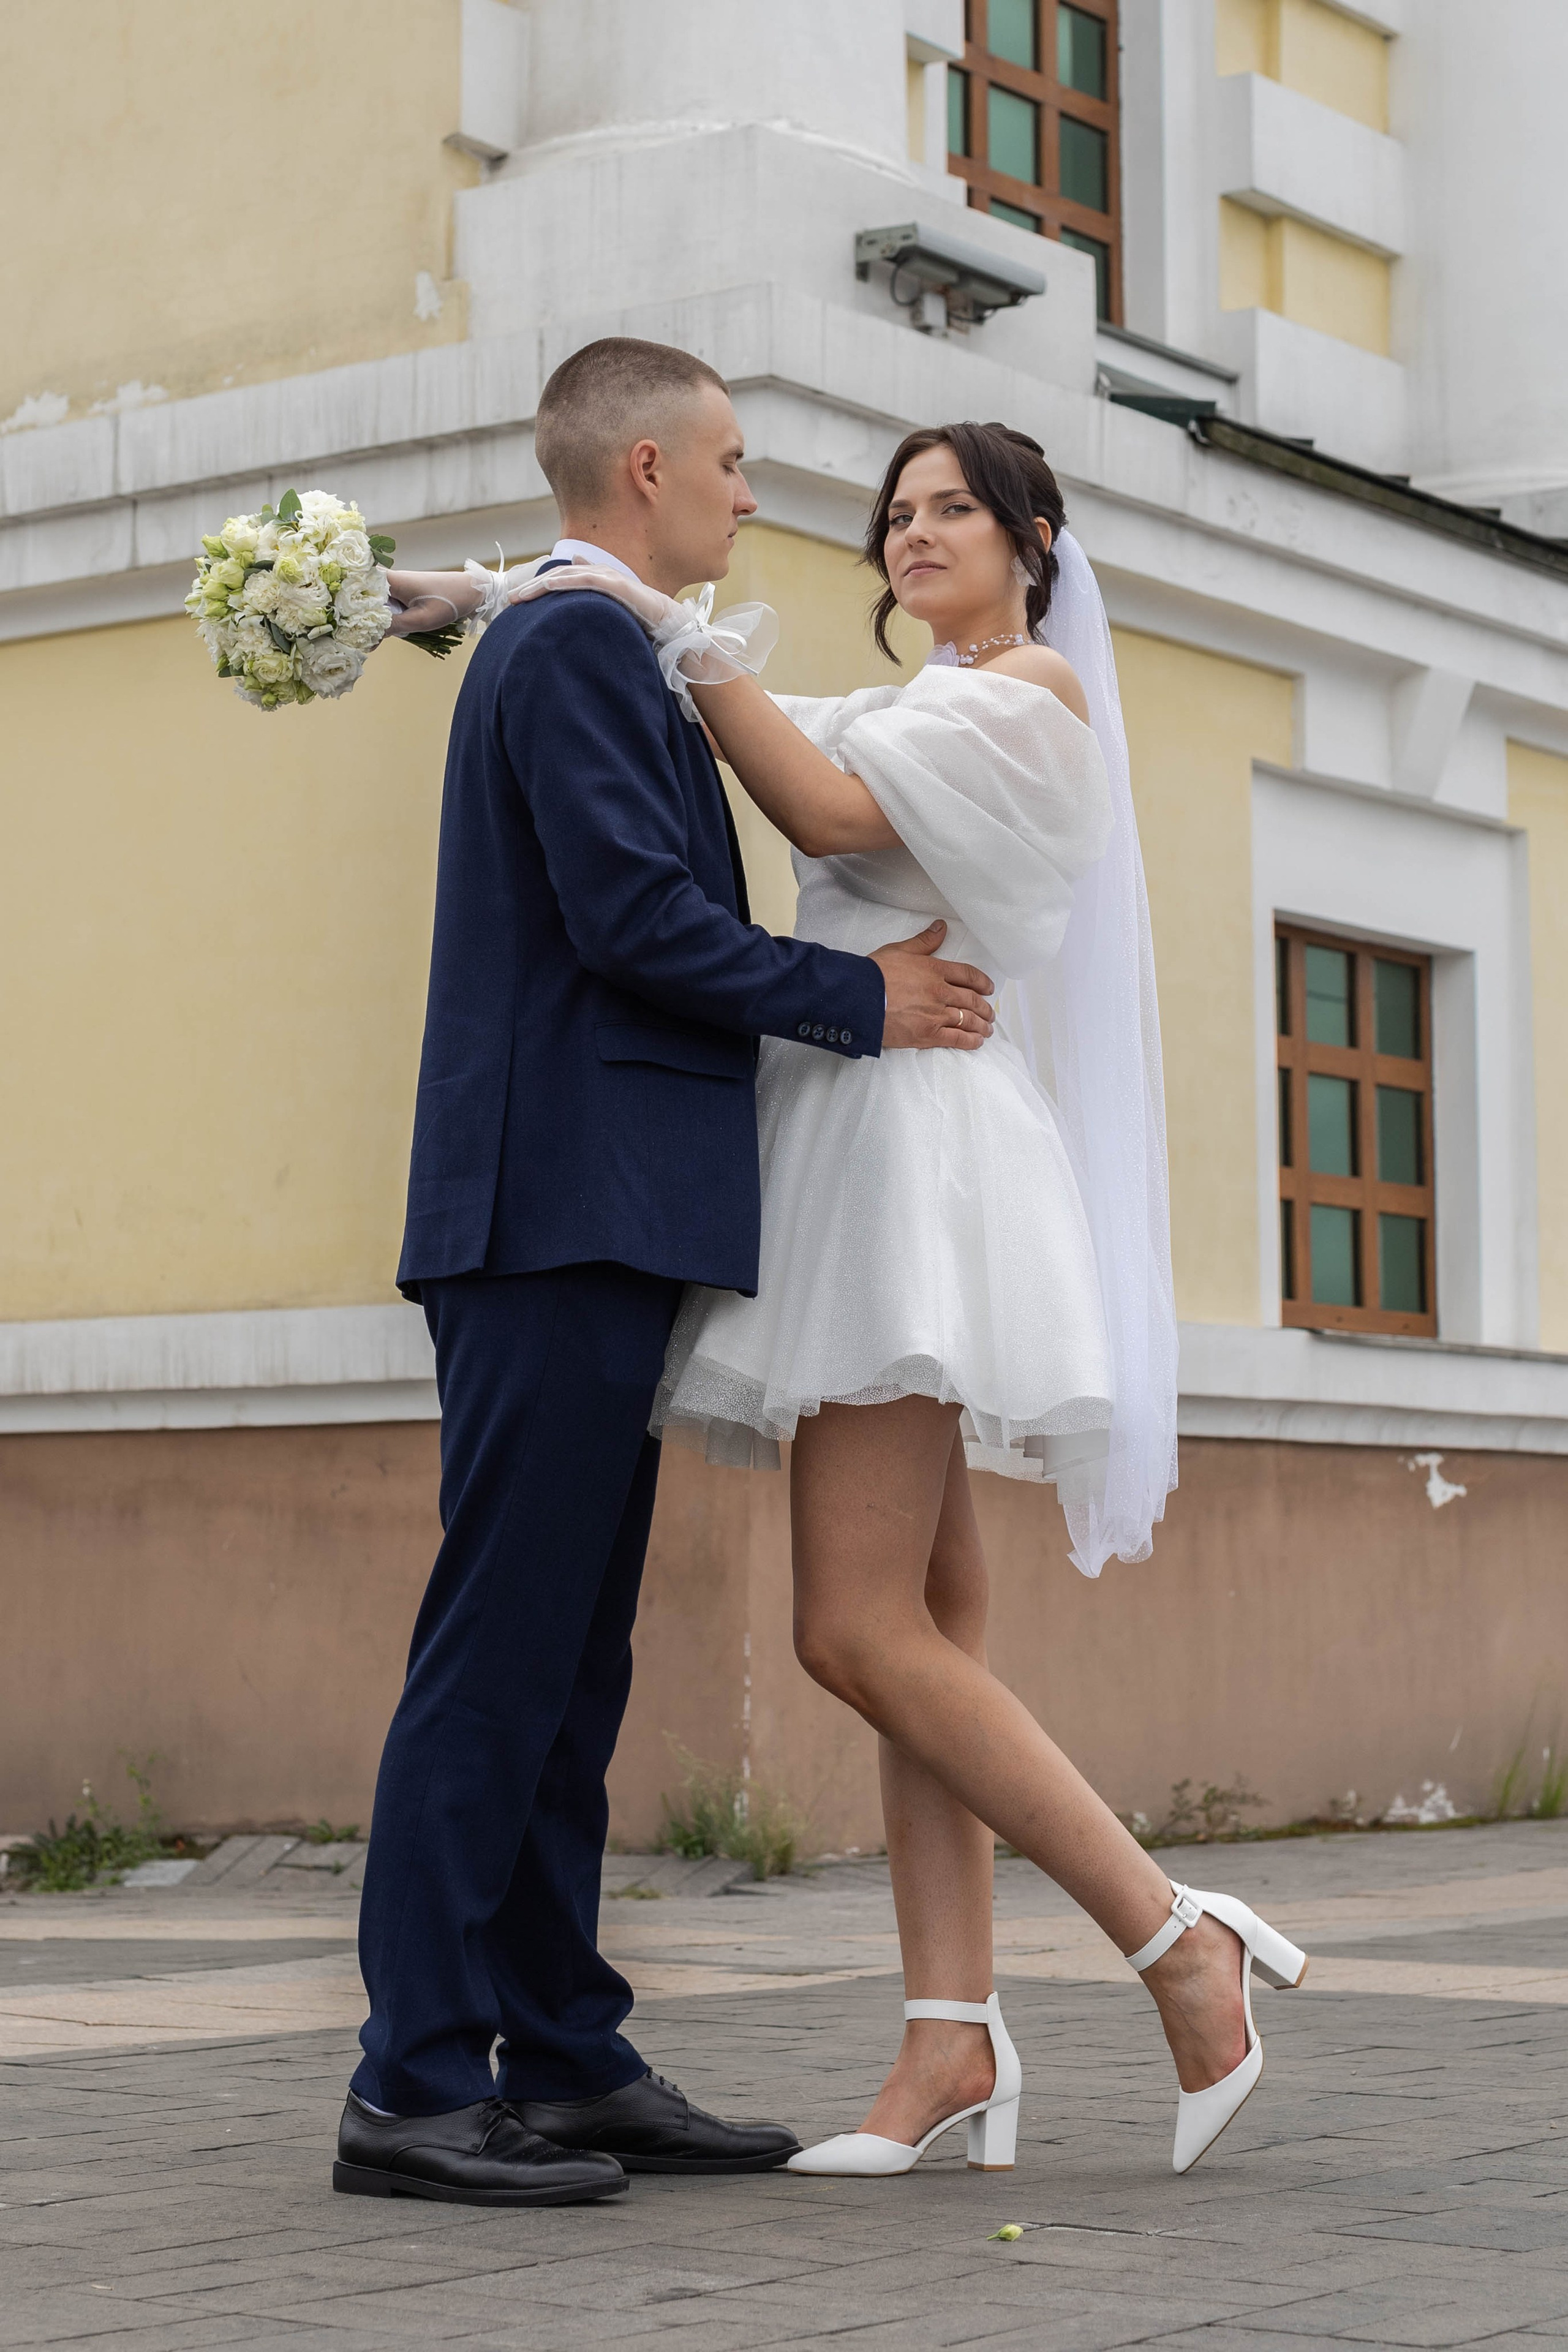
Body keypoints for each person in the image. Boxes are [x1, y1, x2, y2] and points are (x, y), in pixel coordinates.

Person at [516, 420, 1309, 2182]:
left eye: (953, 507)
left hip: (913, 1156)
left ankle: (1181, 1941)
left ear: (1035, 534)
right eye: (894, 514)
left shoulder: (1023, 698)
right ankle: (949, 2039)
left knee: (850, 1630)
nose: (914, 533)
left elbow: (823, 810)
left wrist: (651, 615)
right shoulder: (935, 695)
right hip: (863, 1127)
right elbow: (823, 775)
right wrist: (513, 593)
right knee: (926, 1640)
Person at [335, 341, 1001, 2209]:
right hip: (553, 1208)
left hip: (596, 1210)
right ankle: (409, 2082)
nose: (751, 491)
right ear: (643, 468)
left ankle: (558, 2054)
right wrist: (852, 998)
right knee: (500, 1655)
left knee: (568, 1658)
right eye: (729, 461)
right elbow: (638, 919)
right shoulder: (564, 650)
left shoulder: (574, 628)